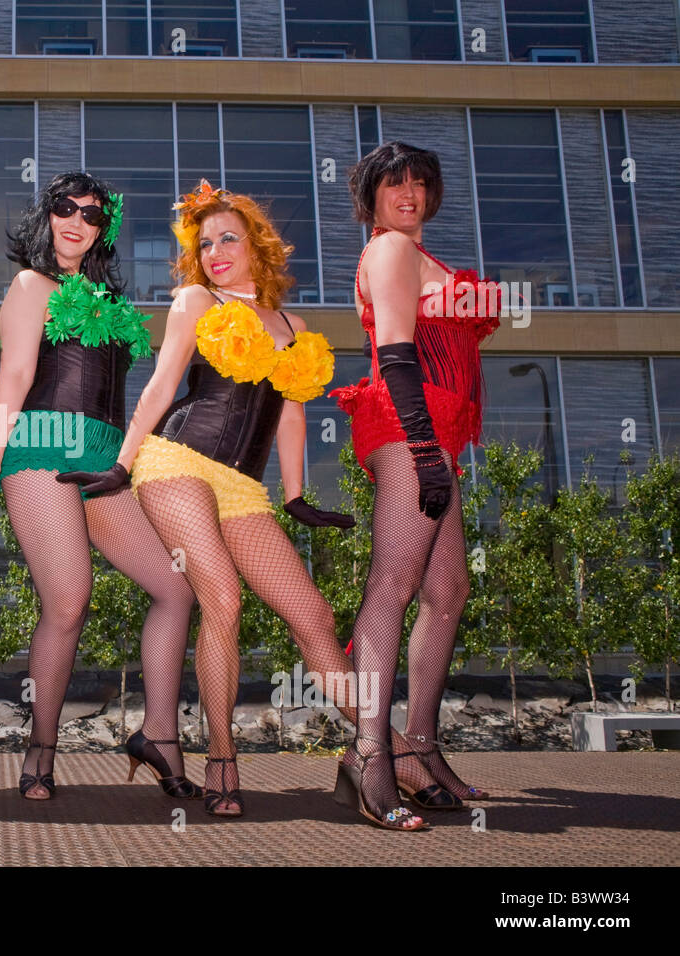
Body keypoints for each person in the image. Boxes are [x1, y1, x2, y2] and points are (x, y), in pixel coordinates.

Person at [62, 181, 440, 824]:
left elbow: (290, 417)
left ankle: (388, 751)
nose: (214, 252)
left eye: (227, 238)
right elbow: (158, 389)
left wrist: (294, 495)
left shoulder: (292, 326)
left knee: (315, 617)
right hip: (176, 460)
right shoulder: (194, 302)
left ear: (256, 244)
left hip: (245, 486)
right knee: (223, 599)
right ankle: (221, 757)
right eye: (204, 243)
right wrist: (123, 463)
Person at [0, 172, 197, 801]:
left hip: (106, 458)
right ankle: (41, 749)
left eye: (90, 213)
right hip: (40, 448)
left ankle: (159, 735)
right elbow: (18, 372)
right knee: (69, 599)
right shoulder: (32, 284)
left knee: (175, 588)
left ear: (102, 228)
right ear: (47, 215)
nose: (75, 220)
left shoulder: (112, 306)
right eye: (64, 207)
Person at [330, 141, 497, 829]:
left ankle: (421, 748)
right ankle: (371, 752)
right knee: (392, 586)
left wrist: (439, 447)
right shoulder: (390, 251)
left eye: (420, 183)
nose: (409, 193)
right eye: (393, 183)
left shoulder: (420, 253)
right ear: (368, 196)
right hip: (409, 425)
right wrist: (426, 450)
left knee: (447, 589)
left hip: (436, 431)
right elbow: (396, 350)